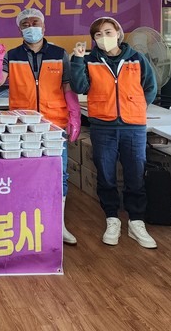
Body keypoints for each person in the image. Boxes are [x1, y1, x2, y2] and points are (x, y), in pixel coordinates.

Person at [70, 16, 158, 249]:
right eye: (98, 35)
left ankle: (136, 222)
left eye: (108, 32)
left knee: (135, 174)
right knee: (106, 175)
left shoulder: (137, 58)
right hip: (103, 126)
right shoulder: (89, 60)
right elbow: (79, 87)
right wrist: (77, 60)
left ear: (118, 33)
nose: (104, 38)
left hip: (133, 126)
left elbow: (150, 87)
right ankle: (112, 219)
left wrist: (137, 107)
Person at [3, 8, 81, 245]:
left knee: (59, 173)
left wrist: (74, 114)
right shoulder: (12, 55)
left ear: (44, 26)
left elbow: (67, 86)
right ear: (19, 29)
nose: (31, 27)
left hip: (54, 124)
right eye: (25, 24)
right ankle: (27, 223)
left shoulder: (59, 54)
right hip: (23, 125)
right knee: (26, 173)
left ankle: (58, 224)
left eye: (35, 22)